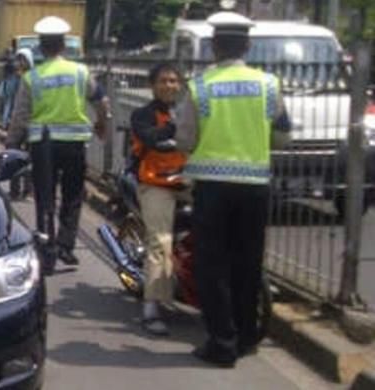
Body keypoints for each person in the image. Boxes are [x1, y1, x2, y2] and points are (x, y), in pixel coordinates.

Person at [174, 12, 291, 367]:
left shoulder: (200, 86)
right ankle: (245, 337)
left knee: (212, 266)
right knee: (247, 262)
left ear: (213, 47)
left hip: (213, 187)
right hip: (255, 187)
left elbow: (185, 138)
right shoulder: (270, 85)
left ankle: (222, 343)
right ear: (248, 46)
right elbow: (283, 136)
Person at [6, 16, 111, 273]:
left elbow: (20, 116)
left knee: (45, 197)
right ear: (64, 45)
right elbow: (102, 102)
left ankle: (47, 249)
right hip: (74, 144)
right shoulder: (80, 72)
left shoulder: (32, 78)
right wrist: (101, 125)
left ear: (40, 48)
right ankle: (66, 245)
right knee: (73, 196)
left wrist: (11, 144)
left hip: (43, 145)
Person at [130, 63, 187, 335]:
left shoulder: (189, 113)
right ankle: (151, 305)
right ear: (153, 86)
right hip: (155, 183)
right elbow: (150, 138)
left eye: (174, 81)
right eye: (163, 81)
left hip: (187, 181)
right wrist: (177, 127)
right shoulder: (142, 115)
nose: (169, 85)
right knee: (161, 239)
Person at [8, 48, 35, 200]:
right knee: (13, 155)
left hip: (30, 123)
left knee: (30, 158)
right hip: (16, 121)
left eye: (22, 59)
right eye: (18, 59)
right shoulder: (15, 79)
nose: (19, 63)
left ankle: (28, 190)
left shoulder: (32, 79)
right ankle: (14, 190)